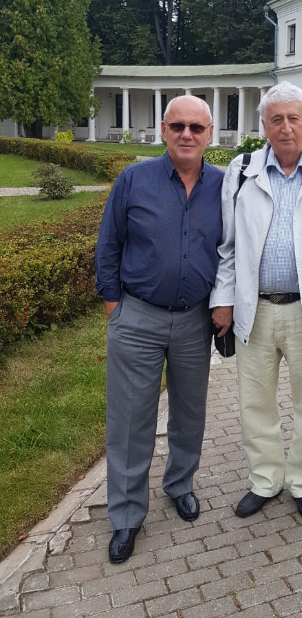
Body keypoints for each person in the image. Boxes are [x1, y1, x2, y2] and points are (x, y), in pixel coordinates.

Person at [211, 81, 302, 522]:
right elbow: (227, 246)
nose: (285, 127)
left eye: (294, 118)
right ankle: (265, 479)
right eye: (275, 119)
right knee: (254, 402)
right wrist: (223, 300)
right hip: (254, 309)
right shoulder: (241, 171)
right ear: (263, 125)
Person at [95, 95, 223, 564]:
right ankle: (127, 515)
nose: (187, 134)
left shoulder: (223, 186)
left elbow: (231, 250)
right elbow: (109, 244)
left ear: (210, 134)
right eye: (178, 126)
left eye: (196, 127)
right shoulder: (134, 180)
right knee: (131, 419)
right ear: (163, 130)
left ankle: (180, 484)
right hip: (138, 316)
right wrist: (115, 306)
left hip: (195, 320)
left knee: (189, 411)